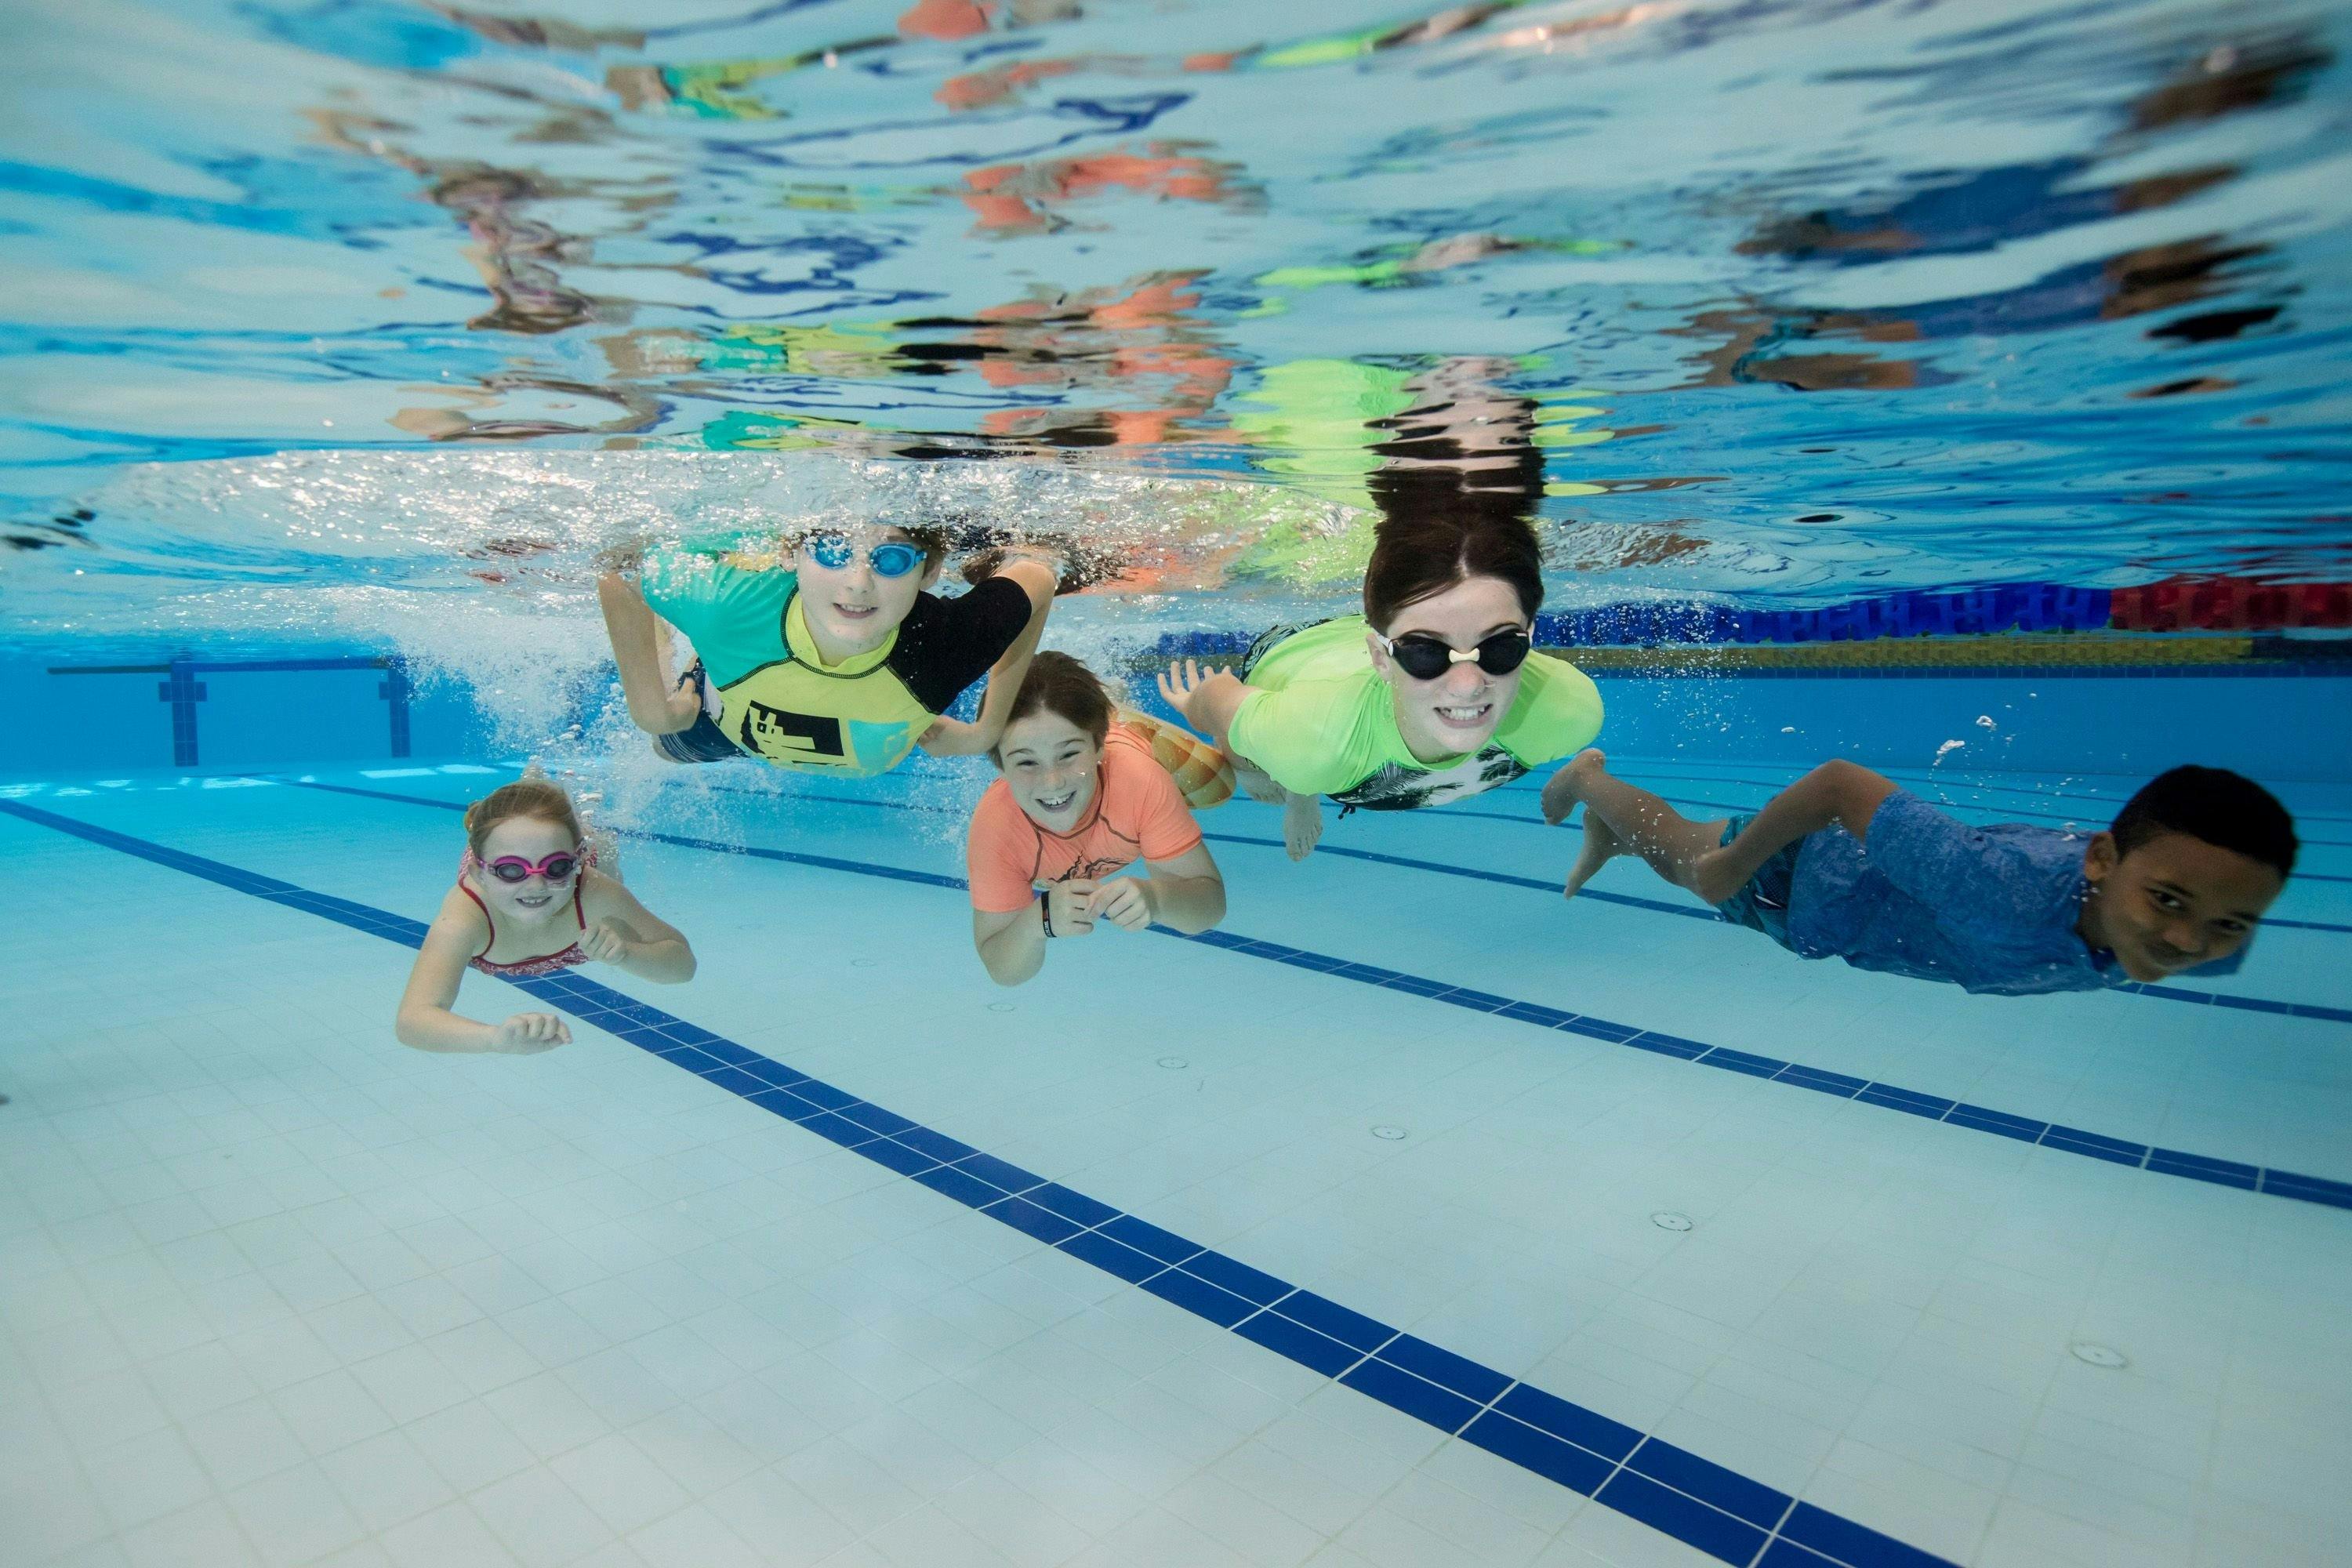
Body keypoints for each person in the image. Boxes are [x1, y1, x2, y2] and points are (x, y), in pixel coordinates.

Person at [1541, 753, 2296, 995]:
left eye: (2231, 923)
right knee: (1681, 857)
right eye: (2166, 900)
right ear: (2102, 859)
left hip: (1834, 890)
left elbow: (2203, 919)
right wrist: (1732, 866)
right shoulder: (1993, 887)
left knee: (1675, 852)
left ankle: (1609, 832)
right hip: (1794, 875)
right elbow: (1840, 783)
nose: (2185, 940)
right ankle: (1588, 784)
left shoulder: (2207, 932)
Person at [1156, 511, 1603, 858]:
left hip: (1362, 648)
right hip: (1294, 654)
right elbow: (1219, 700)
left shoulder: (1565, 710)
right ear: (1381, 658)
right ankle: (1300, 792)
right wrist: (1199, 703)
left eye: (1501, 646)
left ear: (1530, 638)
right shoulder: (1313, 739)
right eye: (1425, 652)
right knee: (1261, 772)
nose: (1468, 686)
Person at [597, 523, 1058, 775]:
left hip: (761, 720)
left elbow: (1039, 577)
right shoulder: (730, 605)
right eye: (832, 550)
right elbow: (622, 569)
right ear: (792, 555)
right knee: (662, 746)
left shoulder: (945, 644)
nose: (858, 584)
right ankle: (696, 661)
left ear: (931, 572)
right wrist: (652, 711)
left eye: (892, 558)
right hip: (724, 719)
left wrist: (986, 729)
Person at [968, 653, 1229, 985]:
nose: (1053, 782)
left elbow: (1210, 907)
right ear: (1000, 767)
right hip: (1101, 744)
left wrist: (1157, 898)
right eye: (1026, 763)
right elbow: (1004, 972)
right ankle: (1106, 710)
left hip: (1133, 745)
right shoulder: (997, 828)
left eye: (1068, 754)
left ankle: (1117, 709)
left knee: (1222, 784)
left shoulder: (1139, 781)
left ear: (1097, 748)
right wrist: (1038, 921)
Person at [396, 778, 695, 1052]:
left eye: (556, 867)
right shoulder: (465, 917)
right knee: (523, 829)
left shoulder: (592, 891)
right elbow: (413, 1021)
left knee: (602, 853)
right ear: (480, 873)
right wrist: (493, 1039)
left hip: (577, 865)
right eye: (512, 870)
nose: (536, 886)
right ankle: (536, 783)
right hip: (500, 871)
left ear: (575, 863)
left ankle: (580, 828)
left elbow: (684, 966)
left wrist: (627, 954)